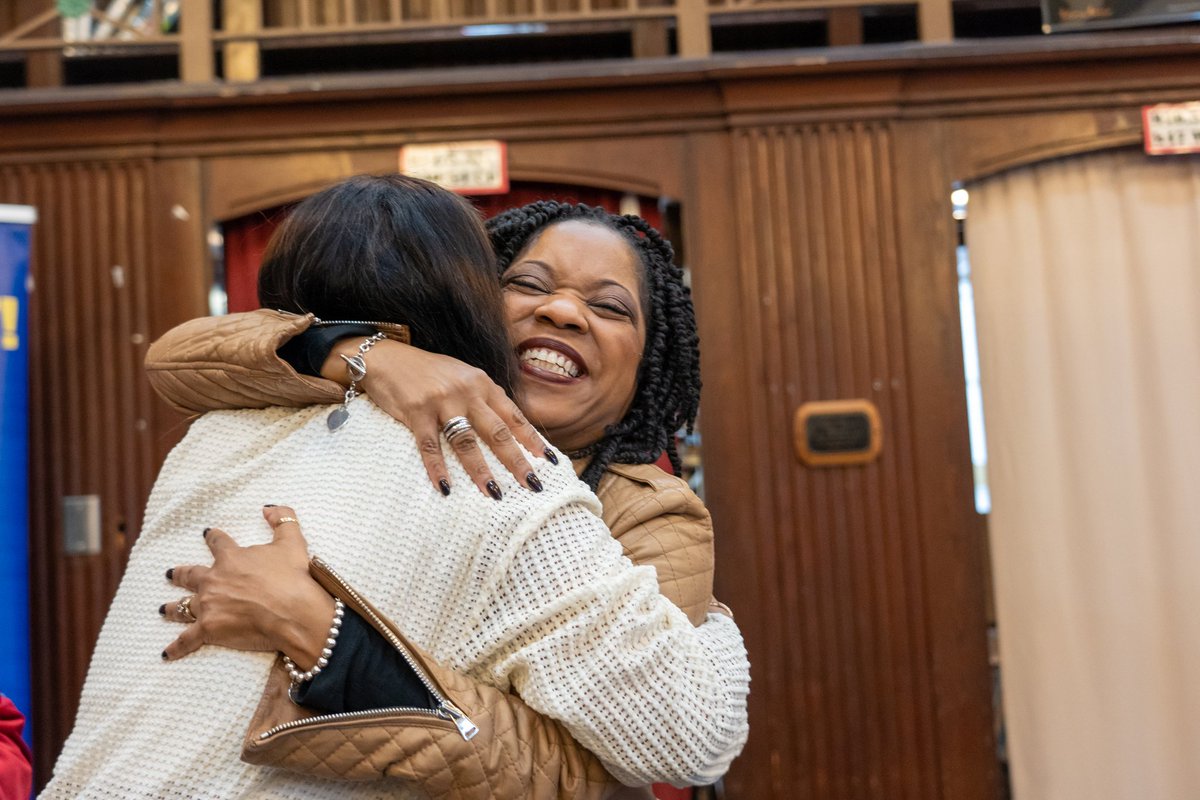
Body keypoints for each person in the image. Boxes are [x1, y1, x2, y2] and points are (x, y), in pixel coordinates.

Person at [41, 177, 749, 800]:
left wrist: (337, 645)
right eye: (529, 285)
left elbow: (612, 771)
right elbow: (178, 354)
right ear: (474, 300)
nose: (562, 312)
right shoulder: (301, 401)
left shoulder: (641, 513)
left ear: (649, 365)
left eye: (611, 306)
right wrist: (363, 353)